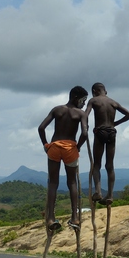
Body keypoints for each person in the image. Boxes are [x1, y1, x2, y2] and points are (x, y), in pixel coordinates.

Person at [38, 86, 89, 231]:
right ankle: (75, 217)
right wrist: (78, 146)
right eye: (83, 100)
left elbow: (41, 128)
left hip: (54, 147)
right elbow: (84, 133)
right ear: (75, 98)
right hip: (70, 148)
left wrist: (46, 145)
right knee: (72, 182)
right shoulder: (81, 114)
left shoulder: (57, 110)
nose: (84, 104)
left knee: (53, 183)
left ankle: (50, 218)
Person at [85, 82, 129, 205]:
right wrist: (114, 123)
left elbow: (85, 115)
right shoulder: (113, 102)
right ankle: (110, 195)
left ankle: (98, 191)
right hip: (112, 132)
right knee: (110, 165)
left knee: (96, 164)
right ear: (105, 91)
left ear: (94, 91)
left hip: (100, 131)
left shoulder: (93, 100)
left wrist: (85, 127)